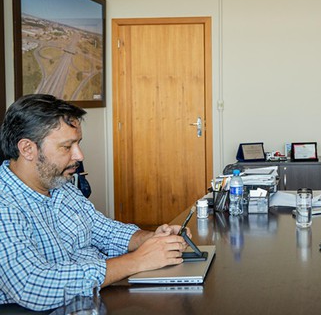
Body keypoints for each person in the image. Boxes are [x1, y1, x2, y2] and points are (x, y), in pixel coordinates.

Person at [0, 94, 189, 311]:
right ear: (27, 149)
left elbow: (106, 231)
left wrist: (154, 239)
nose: (79, 155)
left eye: (78, 144)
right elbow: (33, 285)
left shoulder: (60, 186)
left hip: (91, 301)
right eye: (67, 147)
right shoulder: (4, 205)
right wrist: (137, 261)